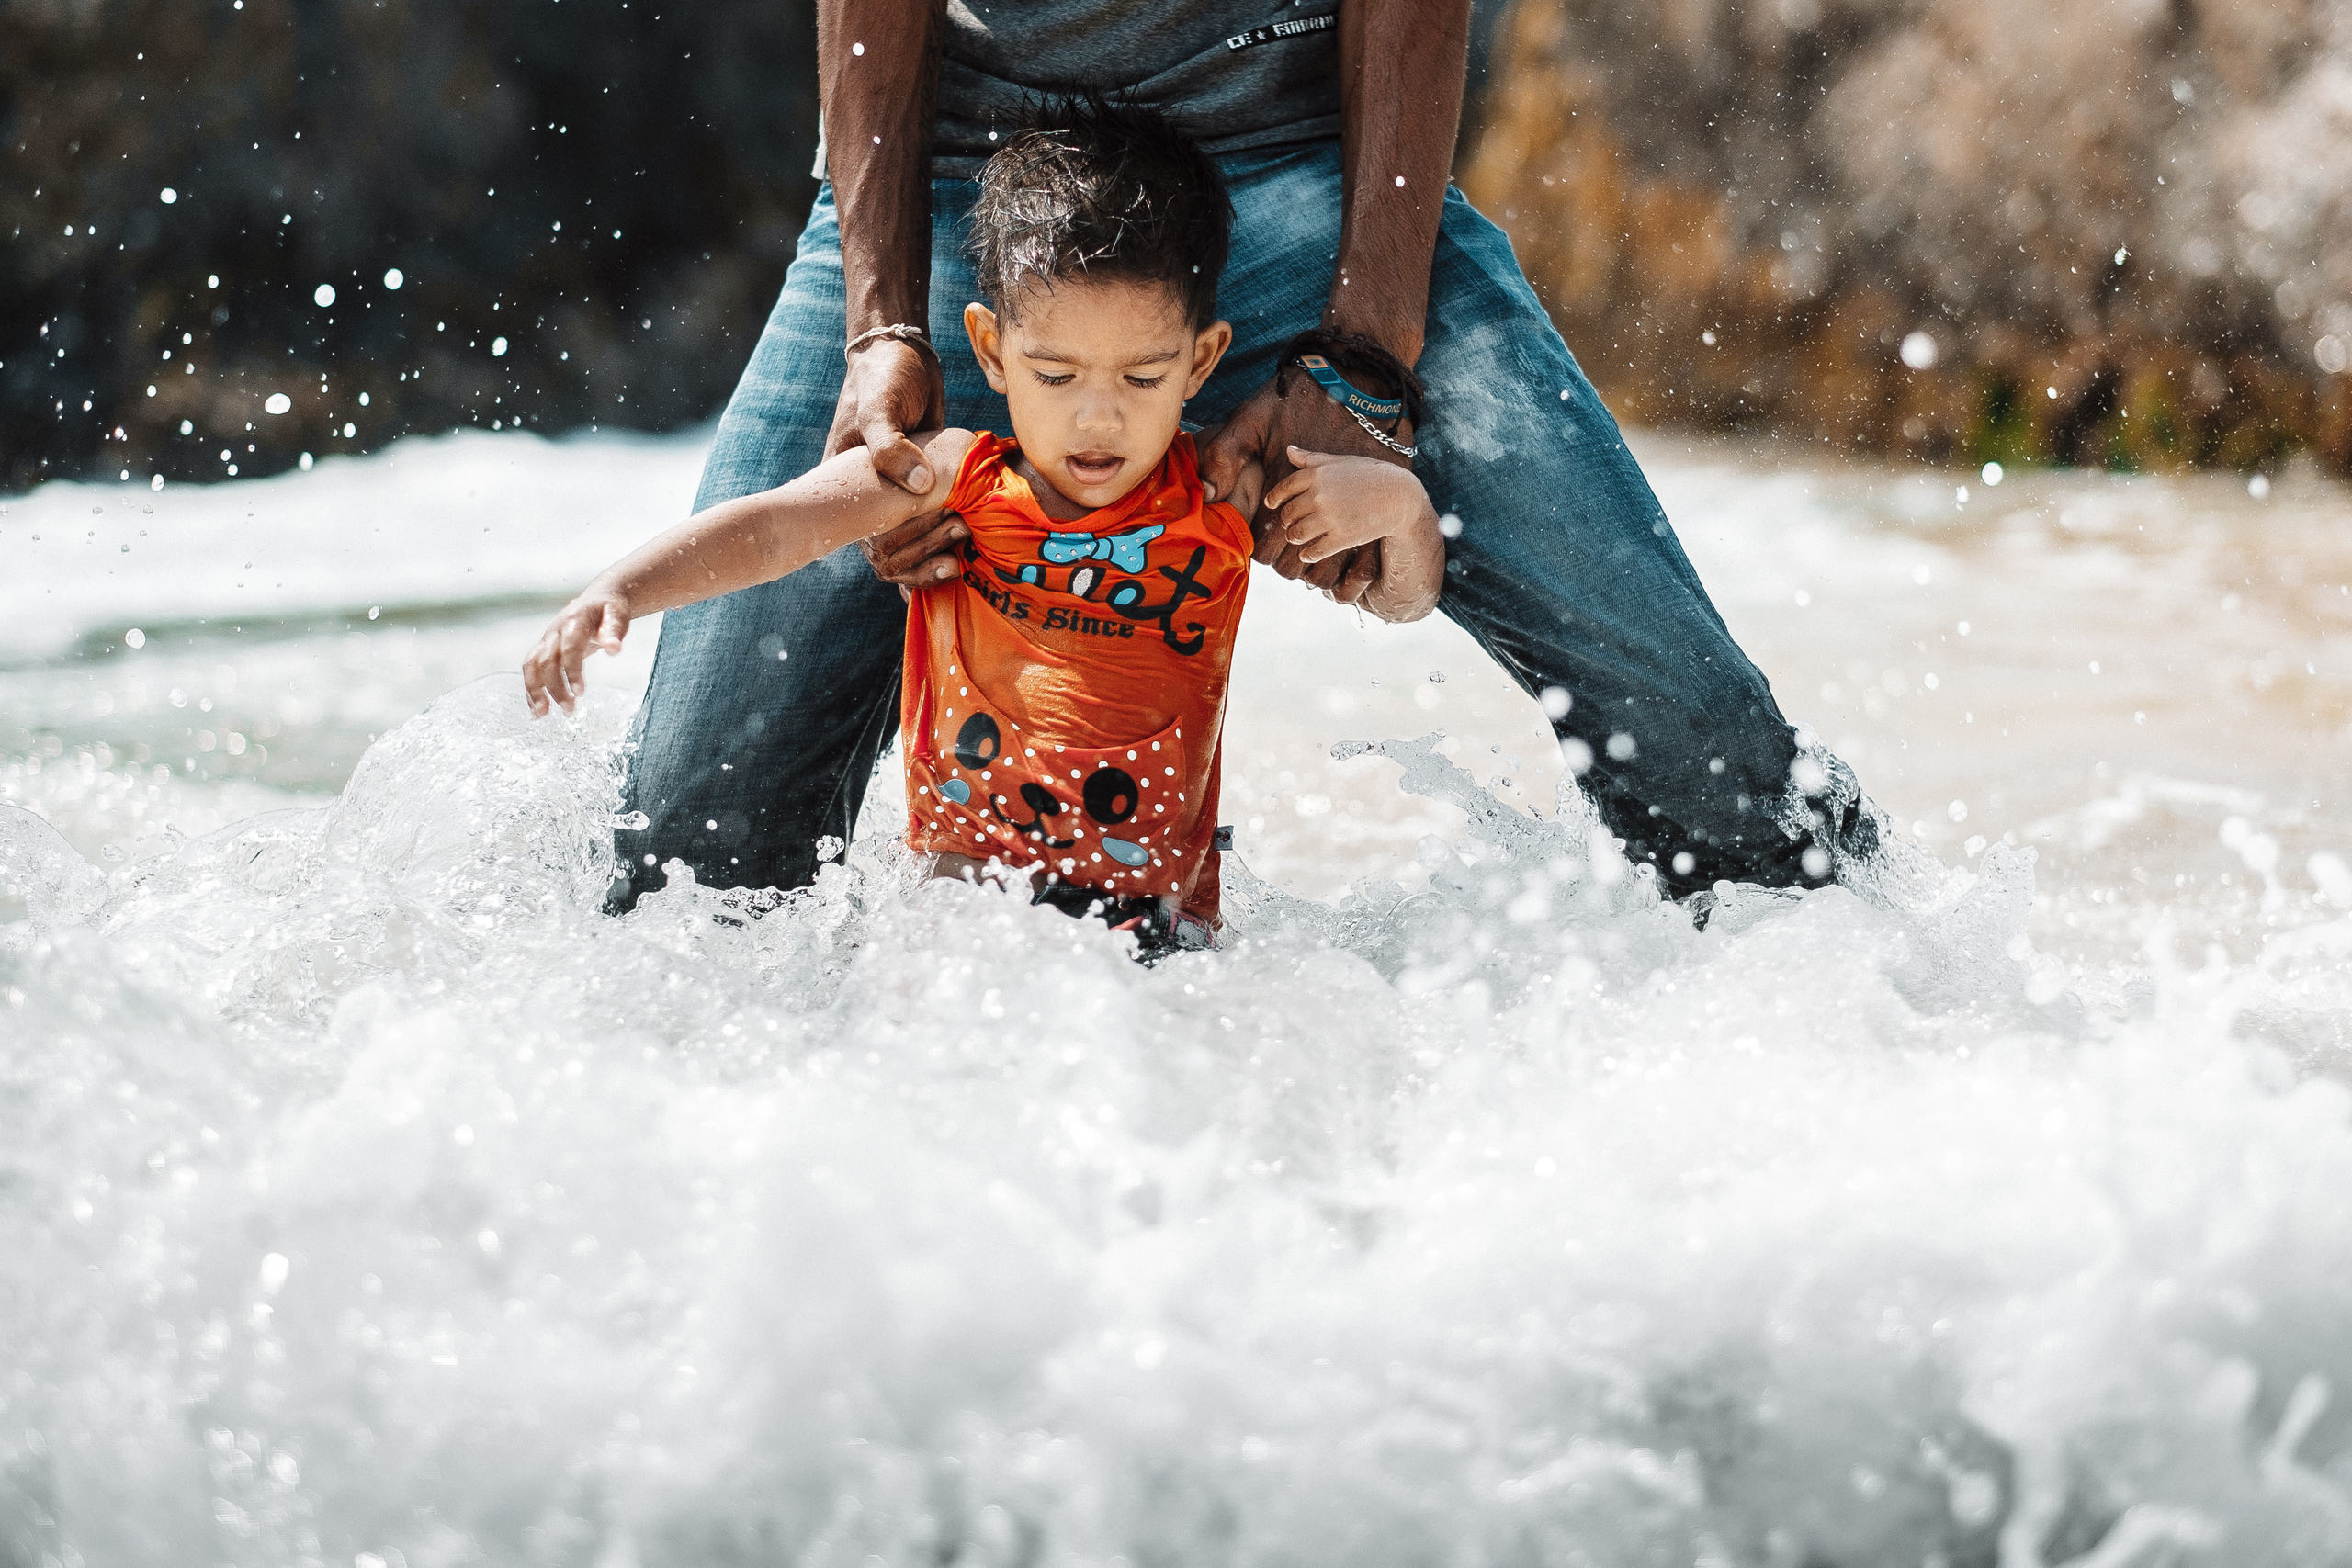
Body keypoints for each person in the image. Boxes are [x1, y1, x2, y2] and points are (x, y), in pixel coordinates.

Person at [604, 0, 1880, 916]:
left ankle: (1914, 1077)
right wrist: (883, 322)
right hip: (963, 188)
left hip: (1299, 165)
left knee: (1726, 777)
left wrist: (1367, 348)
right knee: (681, 867)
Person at [525, 98, 1445, 952]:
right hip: (957, 929)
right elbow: (775, 531)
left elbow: (1401, 602)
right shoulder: (952, 475)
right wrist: (621, 589)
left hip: (1155, 939)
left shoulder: (1219, 500)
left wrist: (1401, 514)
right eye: (1056, 375)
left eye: (1140, 377)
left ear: (1202, 361)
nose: (1097, 419)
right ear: (991, 351)